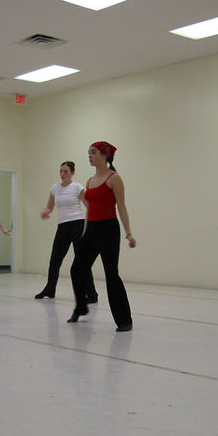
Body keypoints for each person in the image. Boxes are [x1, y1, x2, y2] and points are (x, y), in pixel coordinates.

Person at [68, 141, 136, 332]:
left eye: (93, 152)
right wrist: (85, 231)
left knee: (111, 274)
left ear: (105, 155)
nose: (89, 155)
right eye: (89, 152)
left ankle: (124, 320)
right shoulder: (90, 181)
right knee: (77, 269)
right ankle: (81, 307)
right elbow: (89, 209)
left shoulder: (114, 178)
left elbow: (121, 207)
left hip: (108, 229)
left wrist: (129, 233)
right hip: (91, 229)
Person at [36, 161, 98, 301]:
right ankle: (50, 289)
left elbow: (89, 205)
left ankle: (92, 294)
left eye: (65, 171)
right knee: (55, 260)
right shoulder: (55, 189)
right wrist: (45, 212)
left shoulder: (77, 187)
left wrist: (90, 225)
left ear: (72, 173)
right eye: (61, 171)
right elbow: (50, 207)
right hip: (62, 227)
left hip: (77, 225)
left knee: (82, 261)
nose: (62, 174)